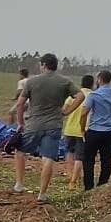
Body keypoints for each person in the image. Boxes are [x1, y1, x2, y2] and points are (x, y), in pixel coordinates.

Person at [13, 53, 76, 202]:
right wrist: (67, 111)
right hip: (54, 125)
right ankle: (42, 194)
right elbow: (80, 96)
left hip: (34, 124)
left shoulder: (31, 82)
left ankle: (19, 184)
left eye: (40, 64)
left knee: (20, 150)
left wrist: (20, 123)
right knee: (48, 158)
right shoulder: (65, 82)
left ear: (44, 65)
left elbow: (20, 104)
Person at [78, 69, 111, 191]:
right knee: (106, 158)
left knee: (89, 159)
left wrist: (83, 128)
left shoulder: (94, 95)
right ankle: (103, 184)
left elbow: (84, 113)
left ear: (99, 79)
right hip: (110, 131)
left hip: (94, 130)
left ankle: (89, 187)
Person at [61, 73, 94, 187]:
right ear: (92, 84)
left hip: (69, 129)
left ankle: (70, 175)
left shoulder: (73, 96)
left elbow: (64, 110)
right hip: (83, 130)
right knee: (80, 157)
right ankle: (73, 181)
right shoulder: (93, 96)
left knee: (69, 152)